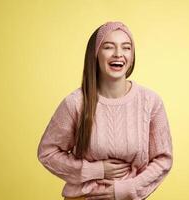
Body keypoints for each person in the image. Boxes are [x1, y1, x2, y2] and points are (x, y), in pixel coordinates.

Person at [37, 21, 173, 200]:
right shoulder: (75, 103)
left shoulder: (150, 102)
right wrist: (95, 170)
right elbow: (47, 153)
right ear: (95, 54)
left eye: (126, 48)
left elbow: (163, 159)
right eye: (109, 47)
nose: (118, 54)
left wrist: (126, 189)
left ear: (132, 56)